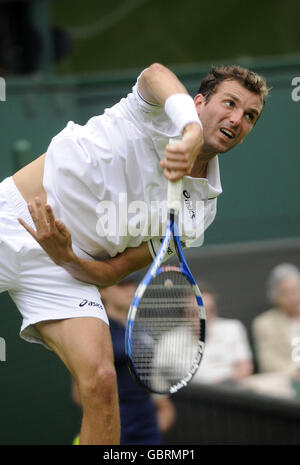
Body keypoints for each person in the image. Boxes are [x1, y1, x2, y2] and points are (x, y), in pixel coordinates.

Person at [0, 62, 269, 444]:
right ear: (198, 102)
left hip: (63, 270)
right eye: (229, 103)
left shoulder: (200, 211)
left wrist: (66, 258)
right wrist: (189, 130)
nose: (237, 118)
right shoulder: (155, 113)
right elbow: (155, 72)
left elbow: (112, 272)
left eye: (250, 116)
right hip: (12, 217)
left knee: (102, 380)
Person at [71, 275, 176, 445]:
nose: (129, 290)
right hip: (112, 423)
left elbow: (153, 383)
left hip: (147, 423)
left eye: (131, 284)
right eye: (121, 285)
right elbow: (79, 394)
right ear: (102, 292)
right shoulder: (95, 332)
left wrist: (160, 413)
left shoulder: (142, 331)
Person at [192, 284, 253, 384]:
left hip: (229, 392)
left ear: (215, 311)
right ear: (185, 313)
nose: (203, 318)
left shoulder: (233, 328)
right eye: (195, 313)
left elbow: (245, 367)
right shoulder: (169, 341)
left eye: (208, 311)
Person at [252, 263, 300, 375]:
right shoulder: (263, 324)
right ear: (276, 297)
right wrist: (295, 372)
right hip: (287, 378)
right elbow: (268, 362)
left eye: (296, 290)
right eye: (286, 293)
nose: (293, 297)